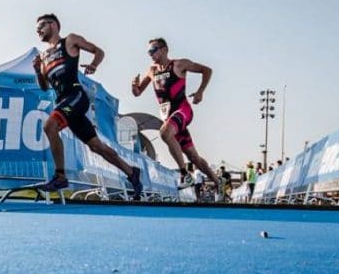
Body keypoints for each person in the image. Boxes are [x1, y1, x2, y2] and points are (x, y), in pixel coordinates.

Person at [33, 13, 142, 200]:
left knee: (49, 126)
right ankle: (131, 172)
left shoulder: (70, 40)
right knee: (96, 146)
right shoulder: (42, 57)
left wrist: (93, 65)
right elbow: (44, 87)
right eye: (36, 29)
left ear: (53, 25)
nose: (38, 31)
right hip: (62, 101)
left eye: (41, 26)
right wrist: (37, 71)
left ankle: (60, 176)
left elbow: (99, 51)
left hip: (76, 96)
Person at [131, 37, 219, 190]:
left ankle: (185, 175)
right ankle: (218, 182)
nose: (150, 54)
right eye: (148, 51)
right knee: (194, 157)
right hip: (170, 119)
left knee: (164, 132)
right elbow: (138, 92)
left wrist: (200, 91)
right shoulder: (152, 71)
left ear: (164, 50)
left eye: (153, 50)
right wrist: (134, 86)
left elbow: (207, 70)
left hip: (183, 111)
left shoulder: (179, 64)